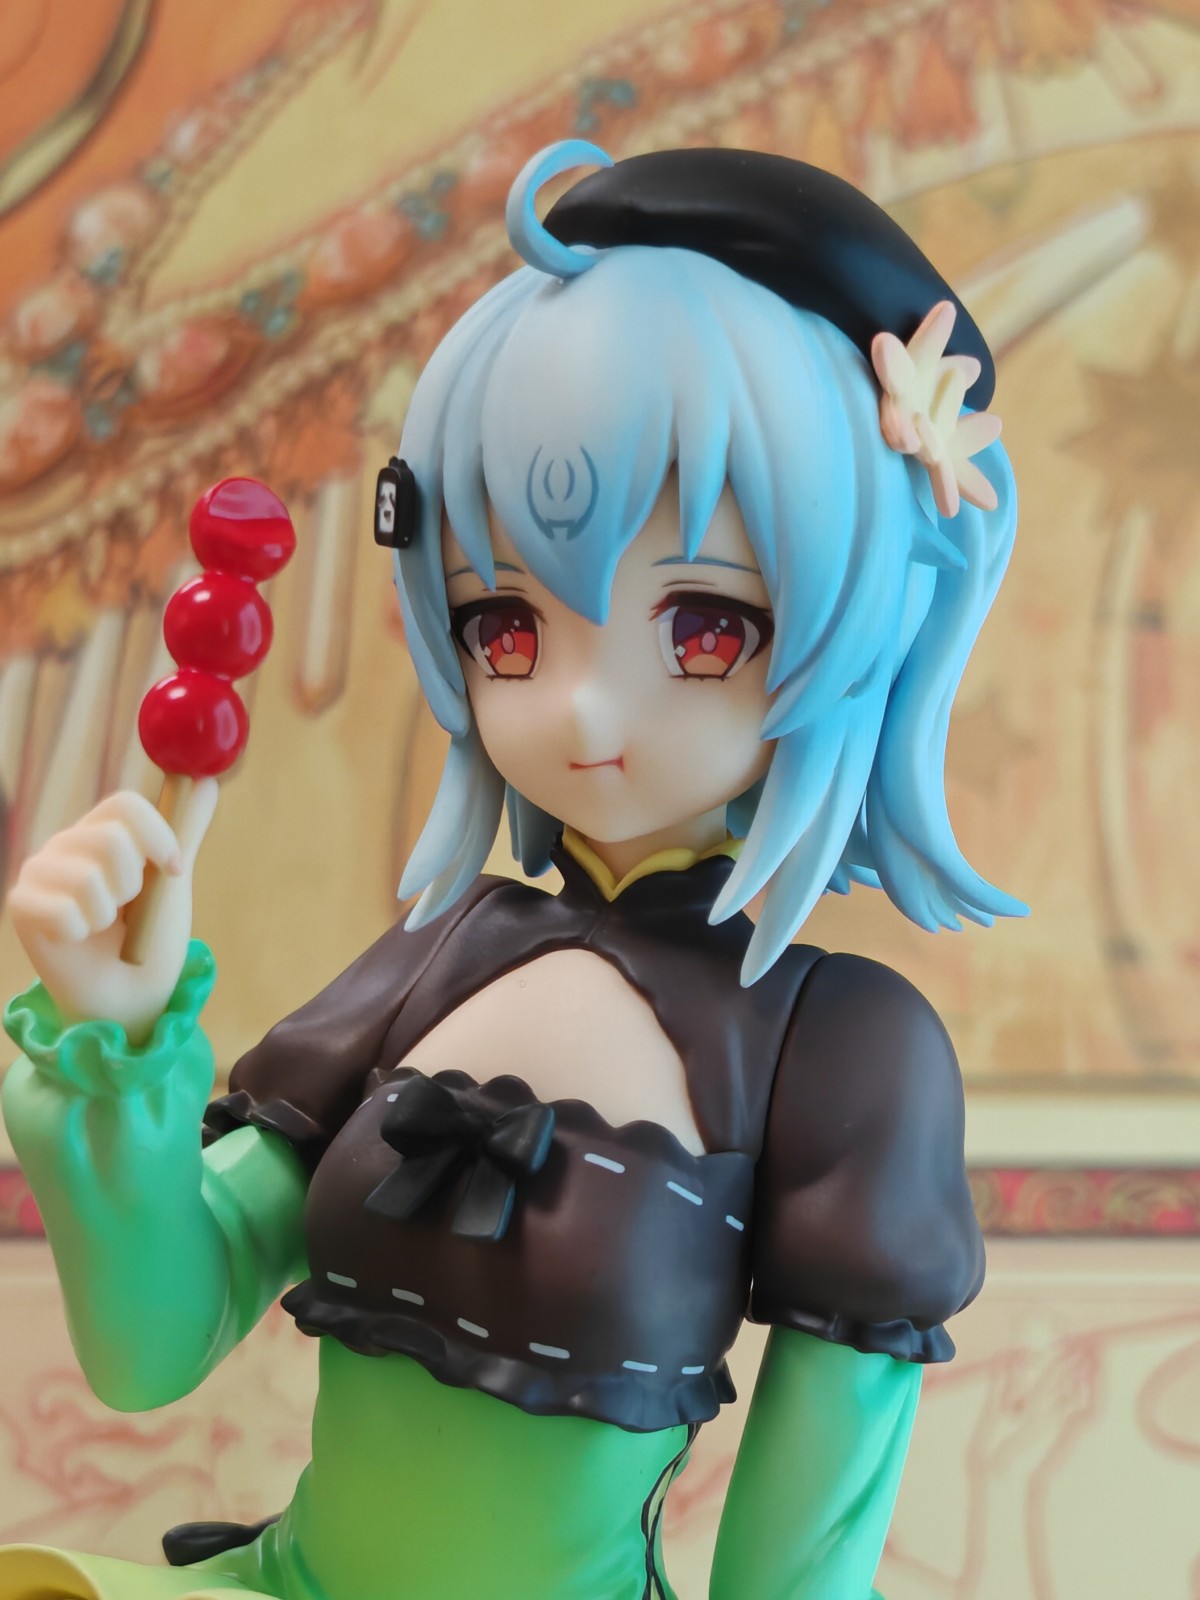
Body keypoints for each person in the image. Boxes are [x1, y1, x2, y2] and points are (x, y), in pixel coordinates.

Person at [0, 140, 1022, 1600]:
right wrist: (113, 1047)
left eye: (704, 626)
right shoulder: (435, 957)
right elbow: (153, 1346)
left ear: (859, 612)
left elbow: (800, 1567)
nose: (580, 711)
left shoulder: (840, 1050)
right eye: (508, 627)